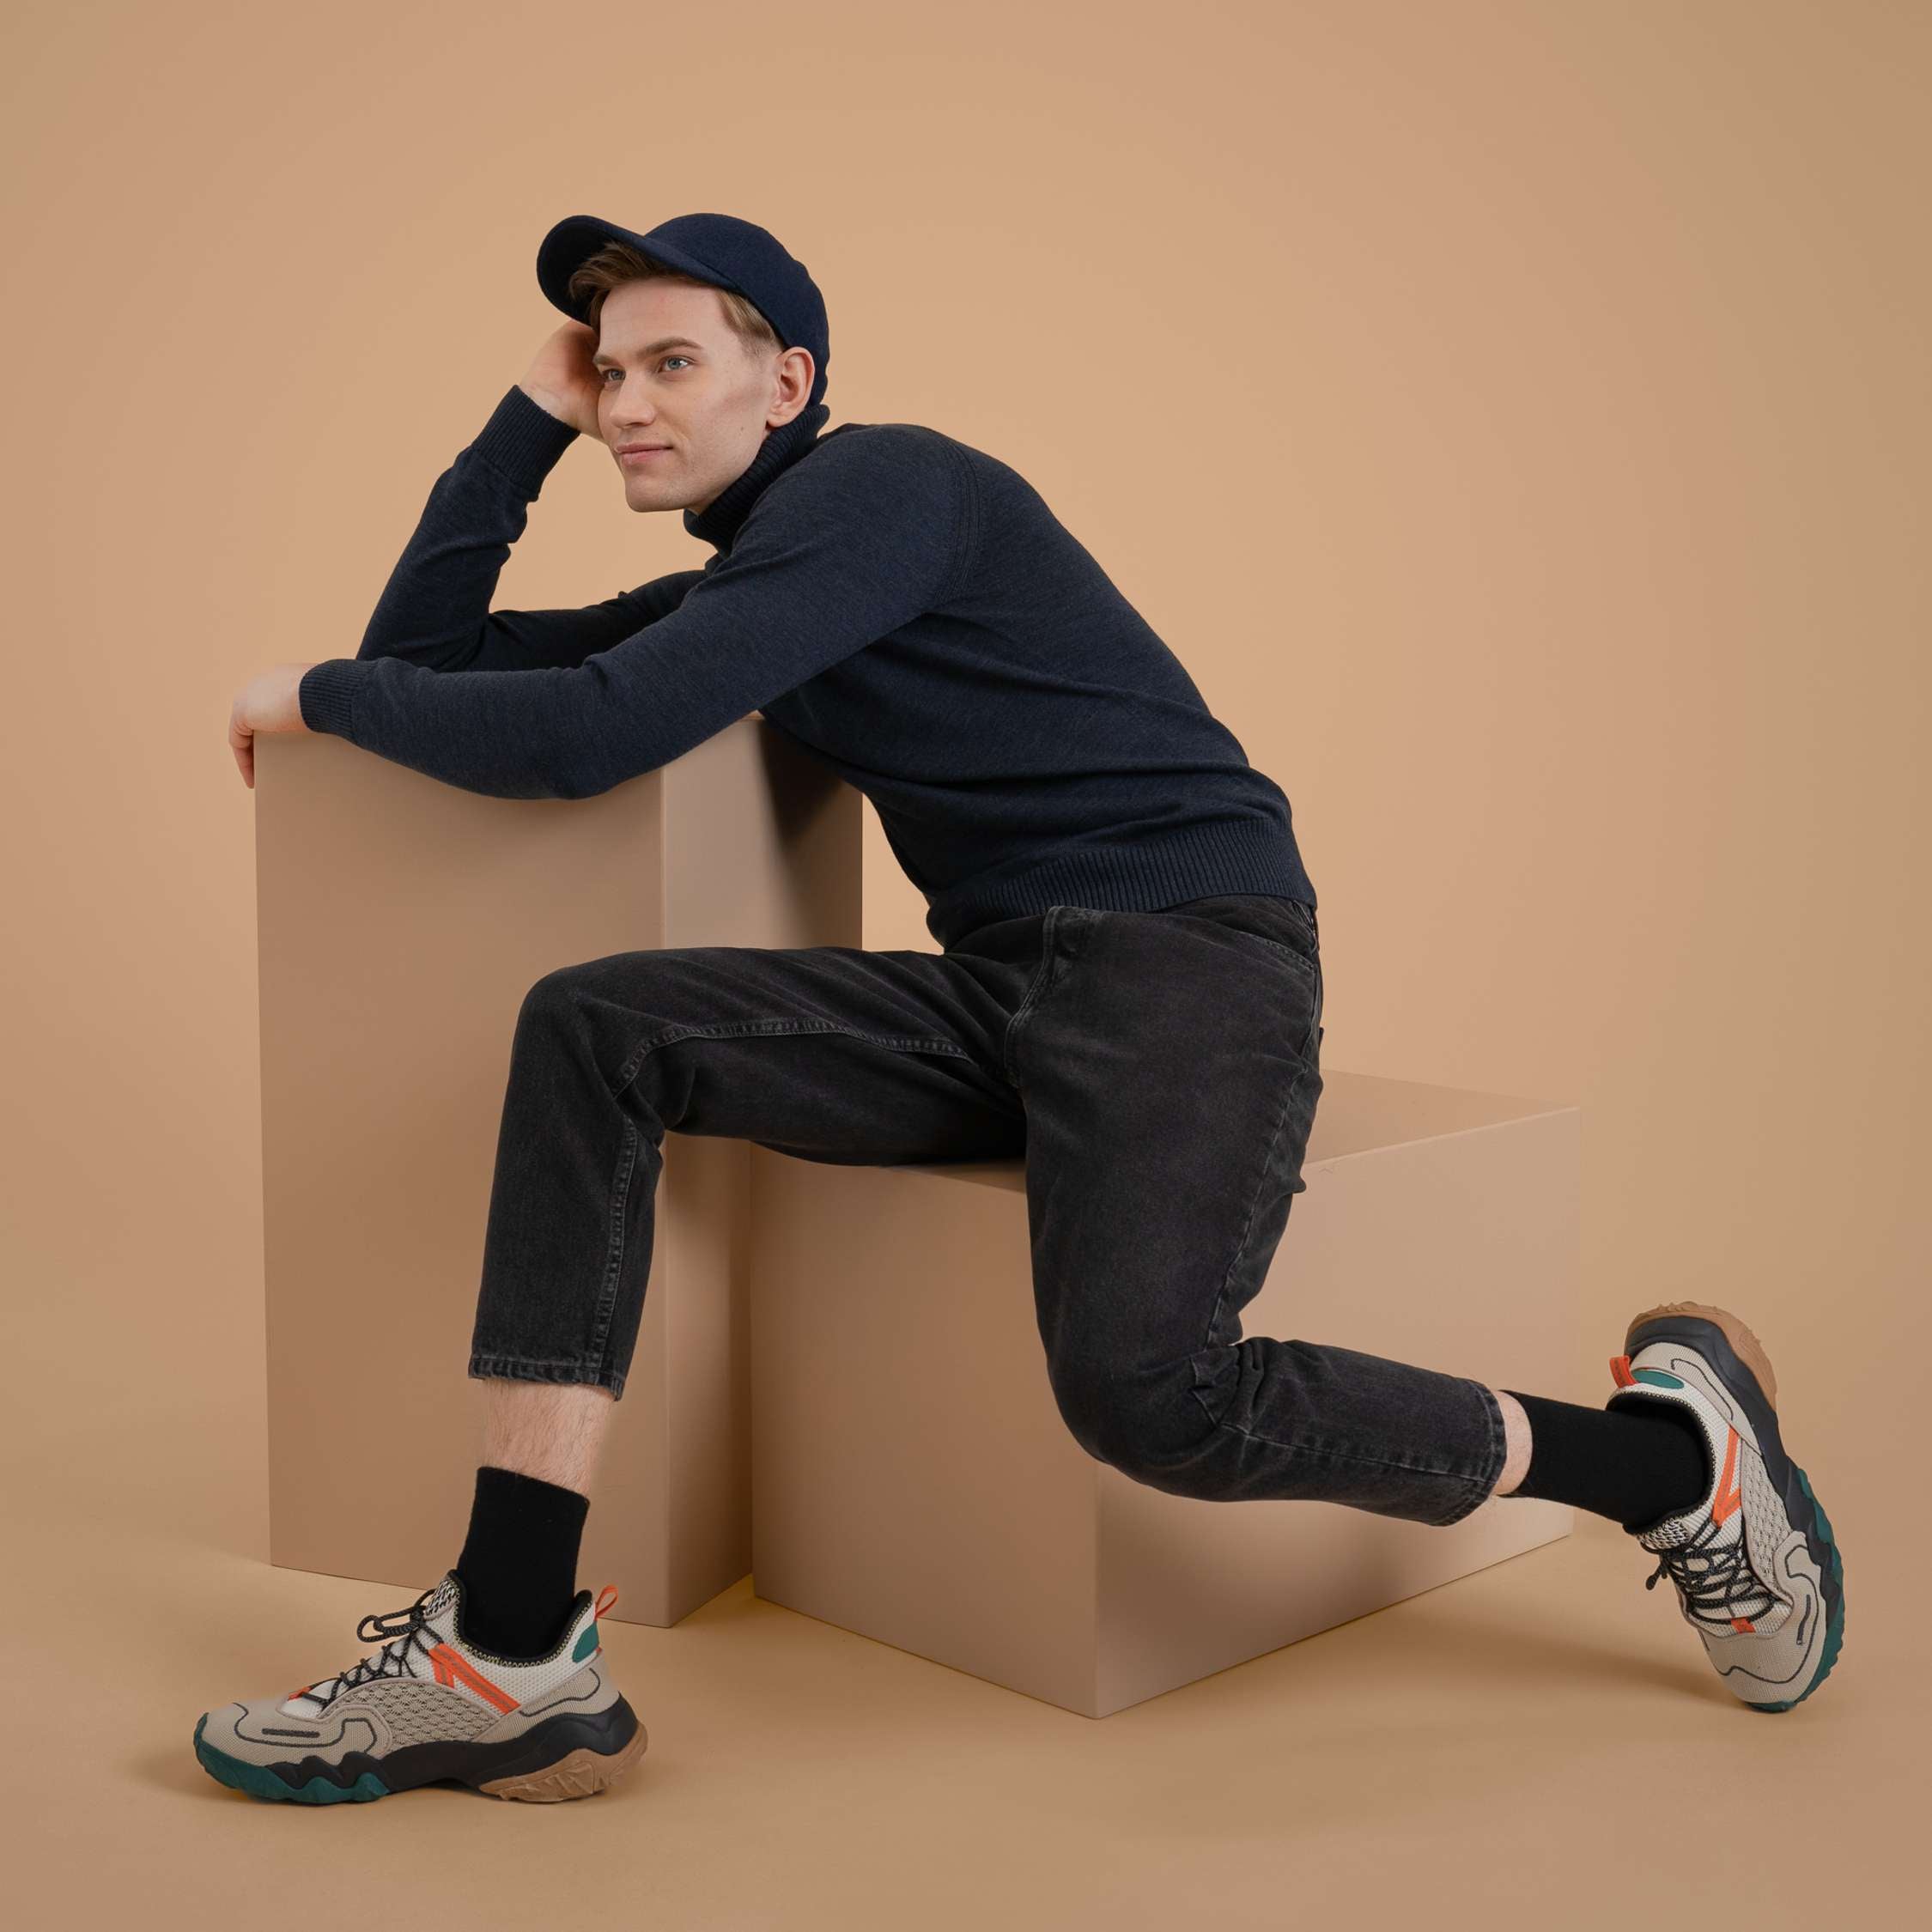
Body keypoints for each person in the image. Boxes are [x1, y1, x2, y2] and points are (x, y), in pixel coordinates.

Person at [200, 213, 1845, 1805]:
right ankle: (507, 1653)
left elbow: (578, 734)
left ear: (790, 382)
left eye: (672, 364)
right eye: (608, 371)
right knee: (597, 1026)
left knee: (1154, 1398)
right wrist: (522, 424)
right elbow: (424, 658)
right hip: (1004, 991)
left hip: (1183, 958)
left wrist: (315, 695)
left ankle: (1666, 1465)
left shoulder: (883, 489)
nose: (627, 402)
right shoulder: (761, 586)